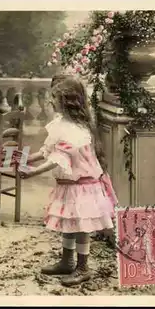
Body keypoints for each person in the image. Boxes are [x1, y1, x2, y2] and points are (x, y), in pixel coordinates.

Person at [20, 75, 118, 286]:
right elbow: (48, 150)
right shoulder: (61, 124)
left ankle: (83, 267)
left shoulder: (75, 129)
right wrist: (27, 157)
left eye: (54, 98)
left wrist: (33, 172)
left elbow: (59, 157)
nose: (50, 102)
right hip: (70, 186)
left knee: (81, 228)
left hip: (82, 187)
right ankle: (66, 261)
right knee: (69, 223)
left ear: (67, 101)